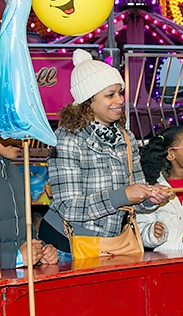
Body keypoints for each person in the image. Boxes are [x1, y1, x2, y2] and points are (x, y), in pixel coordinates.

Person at [39, 49, 172, 254]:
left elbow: (135, 196)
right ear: (87, 102)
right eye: (110, 95)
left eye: (120, 92)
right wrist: (123, 196)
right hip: (66, 244)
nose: (119, 100)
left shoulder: (125, 136)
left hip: (112, 244)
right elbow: (68, 207)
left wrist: (149, 197)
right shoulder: (67, 139)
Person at [1, 137, 58, 269]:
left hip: (20, 279)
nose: (20, 140)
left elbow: (26, 231)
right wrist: (13, 258)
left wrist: (41, 250)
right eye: (11, 133)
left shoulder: (14, 173)